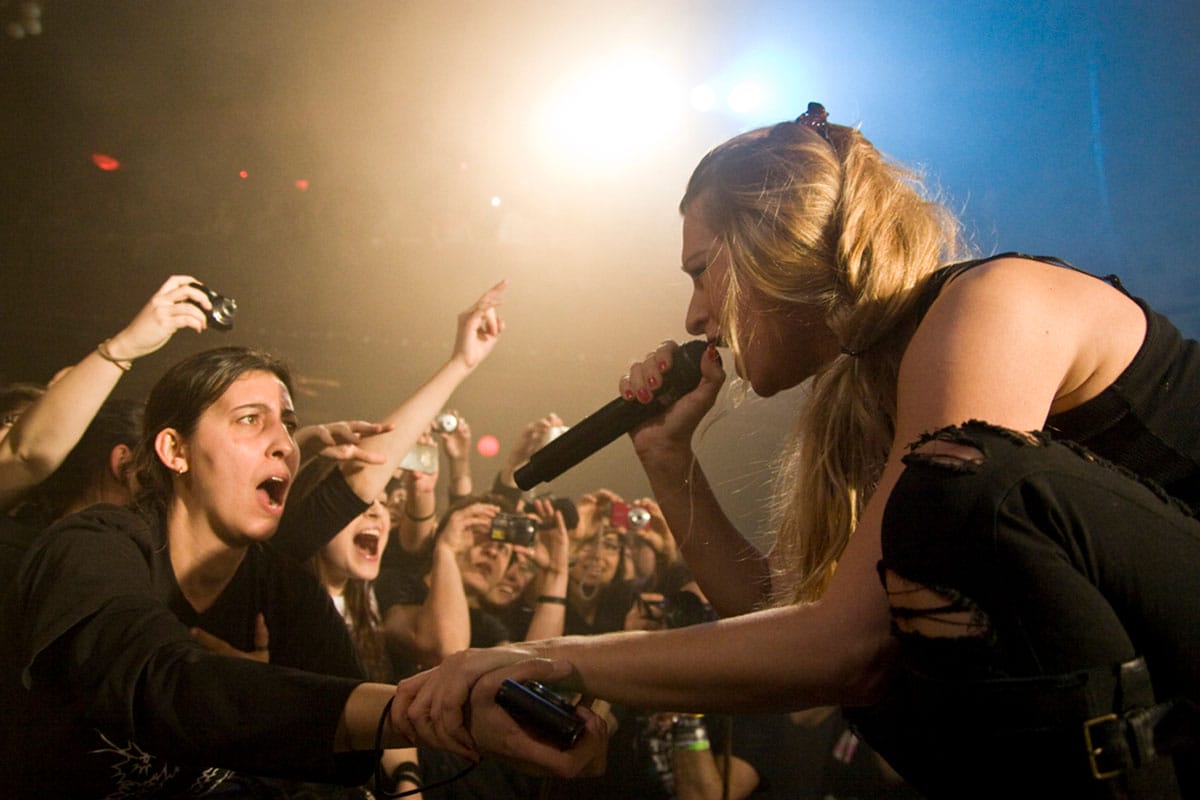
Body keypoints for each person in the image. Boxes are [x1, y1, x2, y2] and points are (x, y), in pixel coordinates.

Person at [391, 103, 1200, 799]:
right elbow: (789, 627)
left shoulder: (988, 308)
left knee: (955, 493)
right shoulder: (878, 387)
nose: (697, 313)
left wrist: (547, 656)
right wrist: (668, 461)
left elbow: (845, 647)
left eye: (703, 271)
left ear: (777, 236)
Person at [0, 286, 606, 796]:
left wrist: (455, 712)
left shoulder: (282, 586)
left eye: (288, 426)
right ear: (175, 450)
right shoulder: (90, 546)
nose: (285, 443)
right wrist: (413, 710)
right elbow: (163, 681)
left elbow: (344, 707)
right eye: (249, 421)